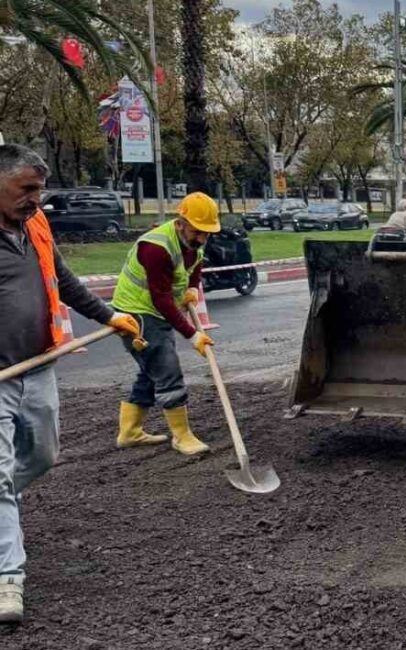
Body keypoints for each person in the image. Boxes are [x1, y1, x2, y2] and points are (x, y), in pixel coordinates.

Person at [0, 145, 141, 624]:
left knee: (40, 457)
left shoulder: (35, 225)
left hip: (37, 366)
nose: (36, 199)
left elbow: (63, 280)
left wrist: (111, 316)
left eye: (39, 189)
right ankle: (8, 579)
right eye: (27, 190)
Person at [111, 192, 220, 457]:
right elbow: (161, 298)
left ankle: (129, 432)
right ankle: (182, 436)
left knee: (152, 370)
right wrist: (192, 334)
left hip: (156, 312)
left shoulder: (194, 240)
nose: (203, 238)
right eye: (198, 231)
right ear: (180, 222)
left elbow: (195, 266)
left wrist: (193, 288)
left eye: (207, 233)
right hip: (136, 314)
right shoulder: (156, 248)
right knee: (167, 370)